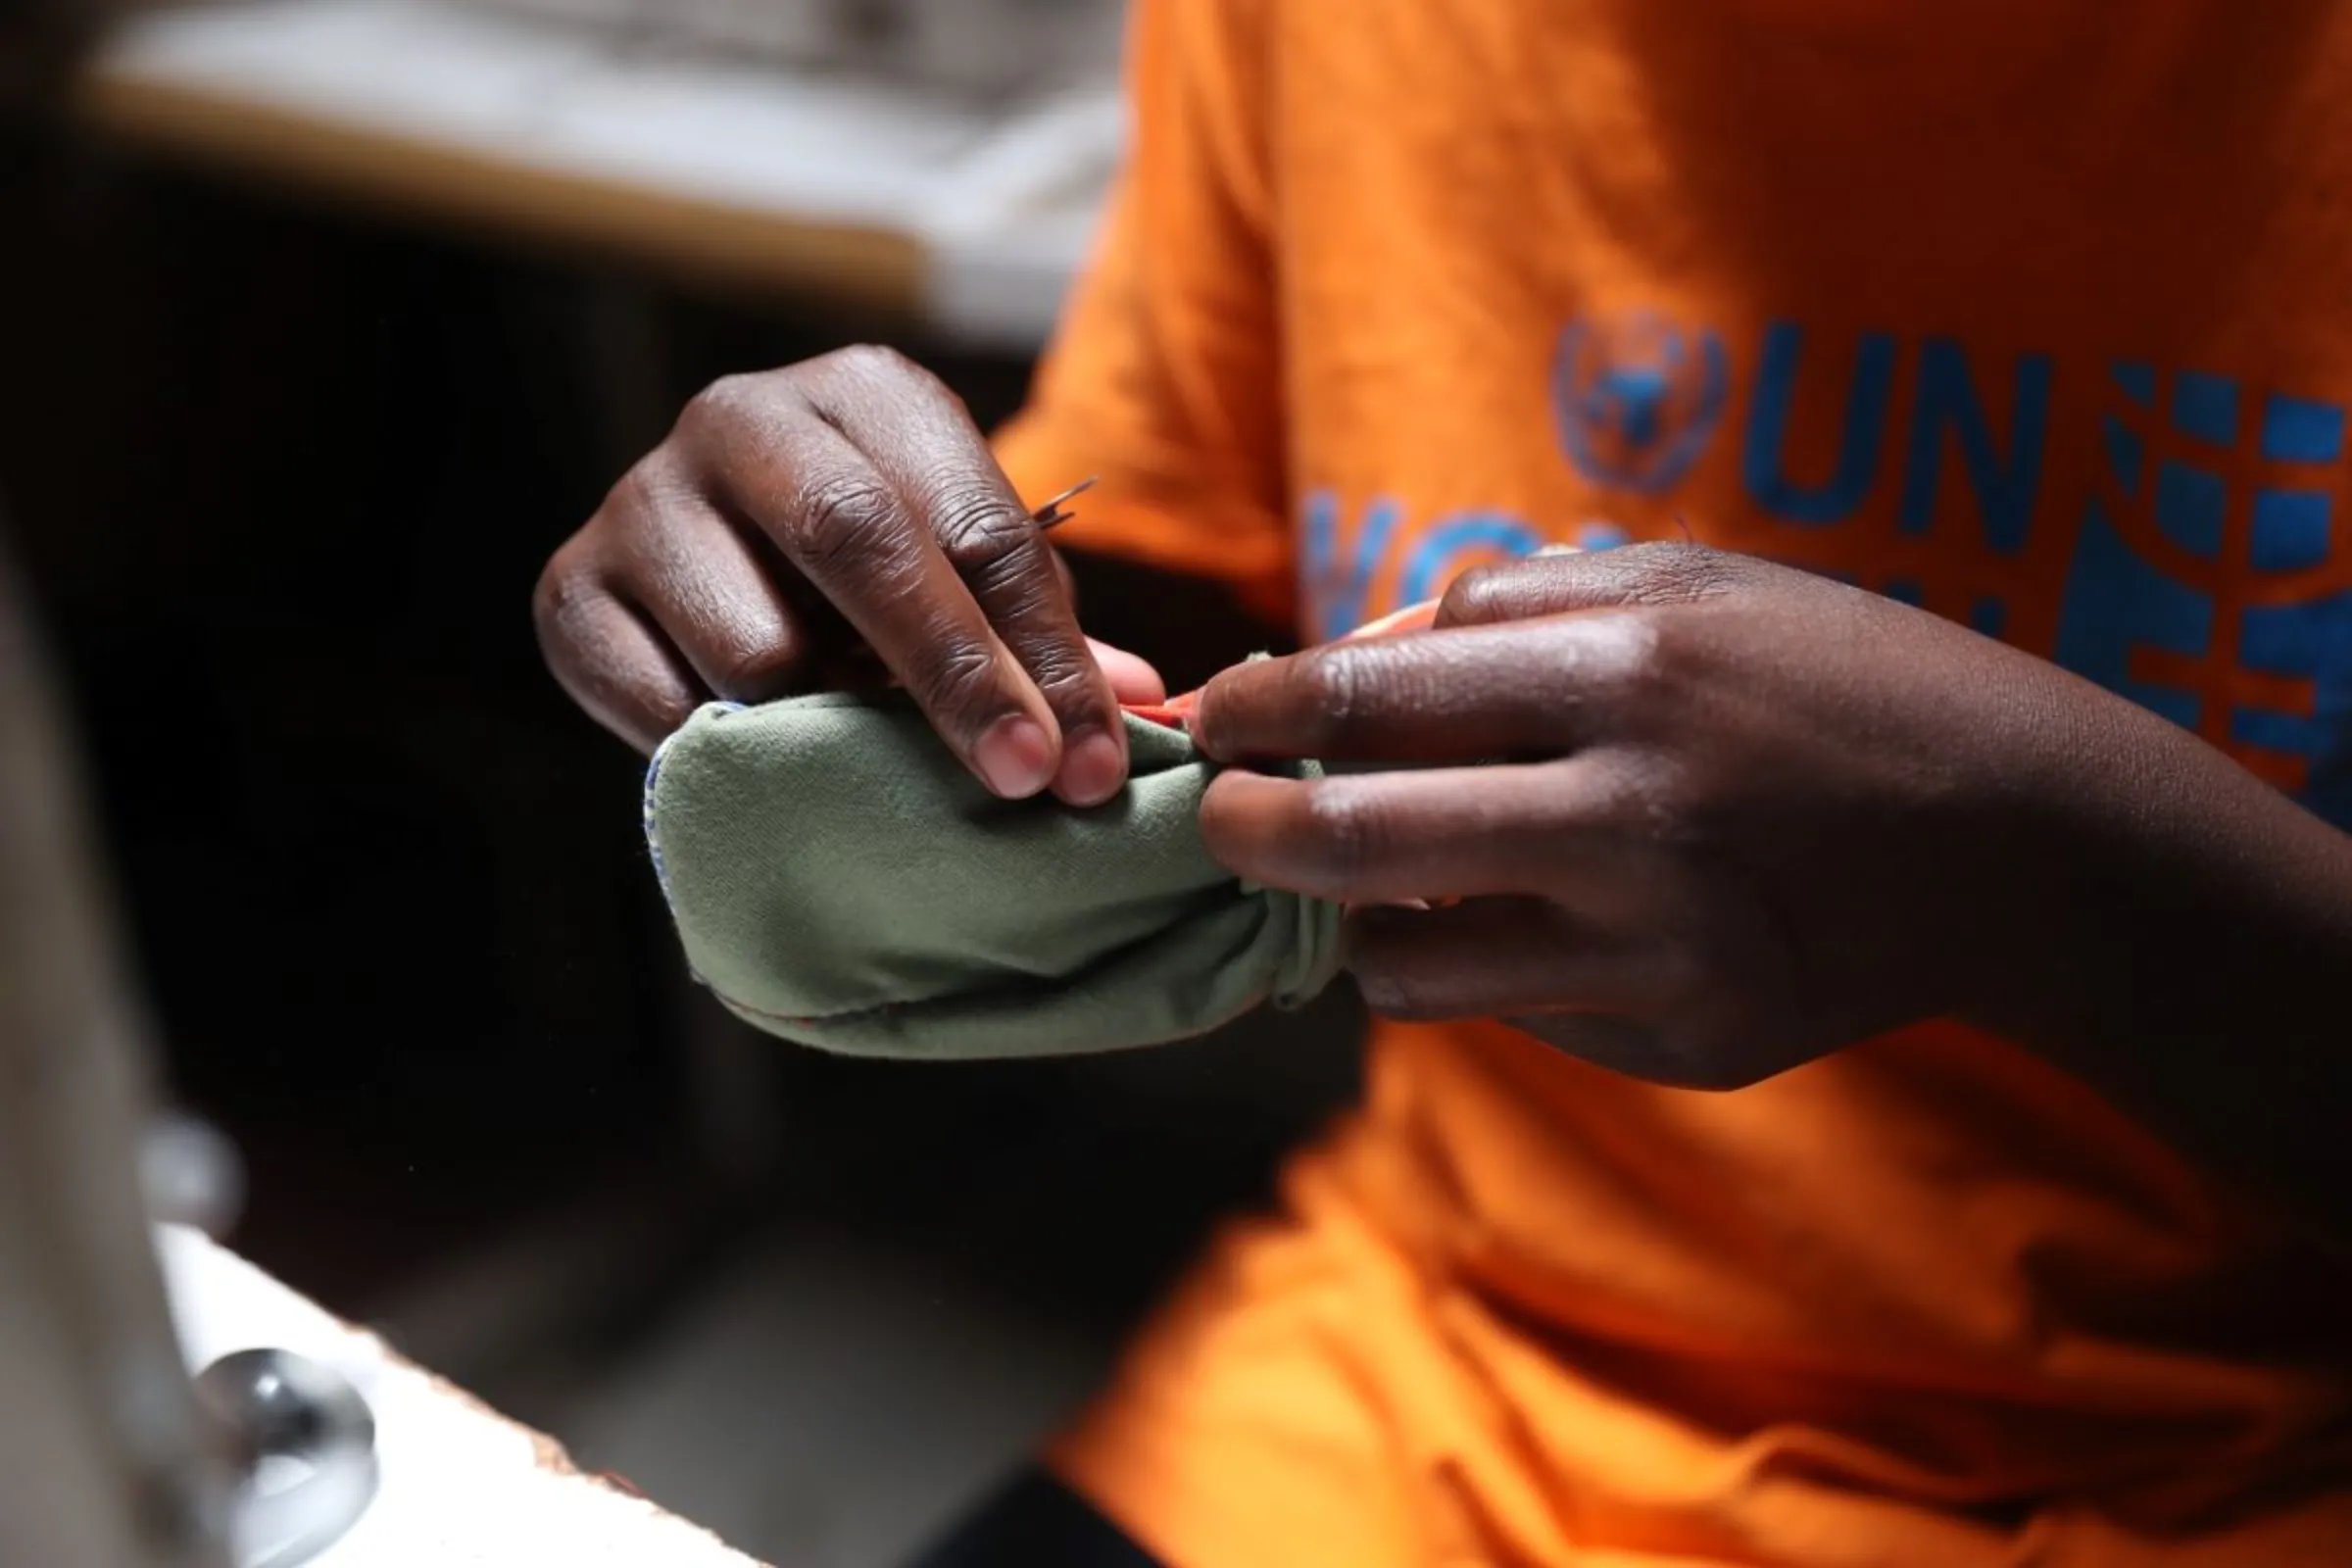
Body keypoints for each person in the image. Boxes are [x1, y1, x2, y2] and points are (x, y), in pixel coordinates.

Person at [534, 3, 2352, 1562]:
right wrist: (869, 628)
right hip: (1423, 1395)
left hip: (2250, 1473)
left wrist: (2036, 868)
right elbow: (1163, 596)